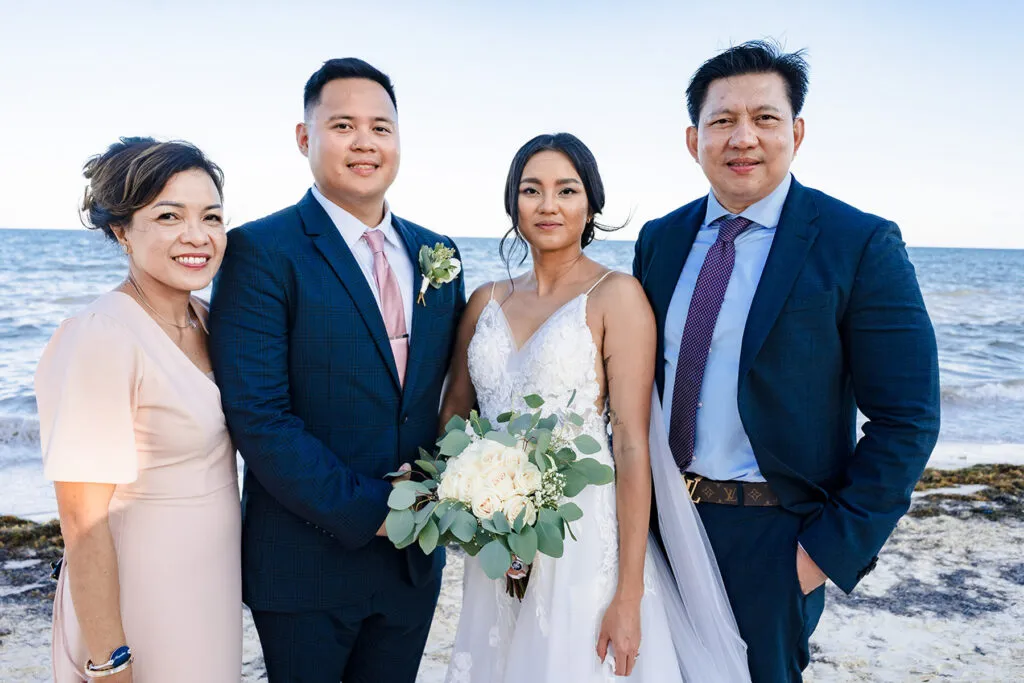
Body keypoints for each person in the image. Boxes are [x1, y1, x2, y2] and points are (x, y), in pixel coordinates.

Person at [633, 40, 941, 682]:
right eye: (722, 121)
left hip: (771, 538)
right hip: (656, 526)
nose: (742, 137)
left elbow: (907, 418)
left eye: (764, 118)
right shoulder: (660, 240)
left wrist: (821, 554)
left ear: (796, 132)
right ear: (694, 140)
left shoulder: (858, 243)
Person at [440, 133, 749, 683]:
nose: (549, 205)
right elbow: (454, 422)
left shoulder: (617, 296)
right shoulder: (484, 300)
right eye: (532, 190)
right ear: (513, 203)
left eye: (567, 189)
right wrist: (472, 500)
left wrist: (628, 593)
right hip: (497, 543)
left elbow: (631, 444)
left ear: (591, 204)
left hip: (582, 541)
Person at [208, 58, 465, 682]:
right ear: (305, 138)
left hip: (413, 563)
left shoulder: (439, 252)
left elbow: (441, 401)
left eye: (381, 127)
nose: (365, 143)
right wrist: (376, 510)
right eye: (343, 125)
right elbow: (259, 417)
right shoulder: (261, 251)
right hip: (307, 565)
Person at [35, 137, 240, 681]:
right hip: (139, 602)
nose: (197, 236)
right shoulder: (101, 336)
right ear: (122, 231)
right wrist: (110, 661)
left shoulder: (211, 319)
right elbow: (82, 521)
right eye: (169, 216)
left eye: (211, 217)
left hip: (209, 591)